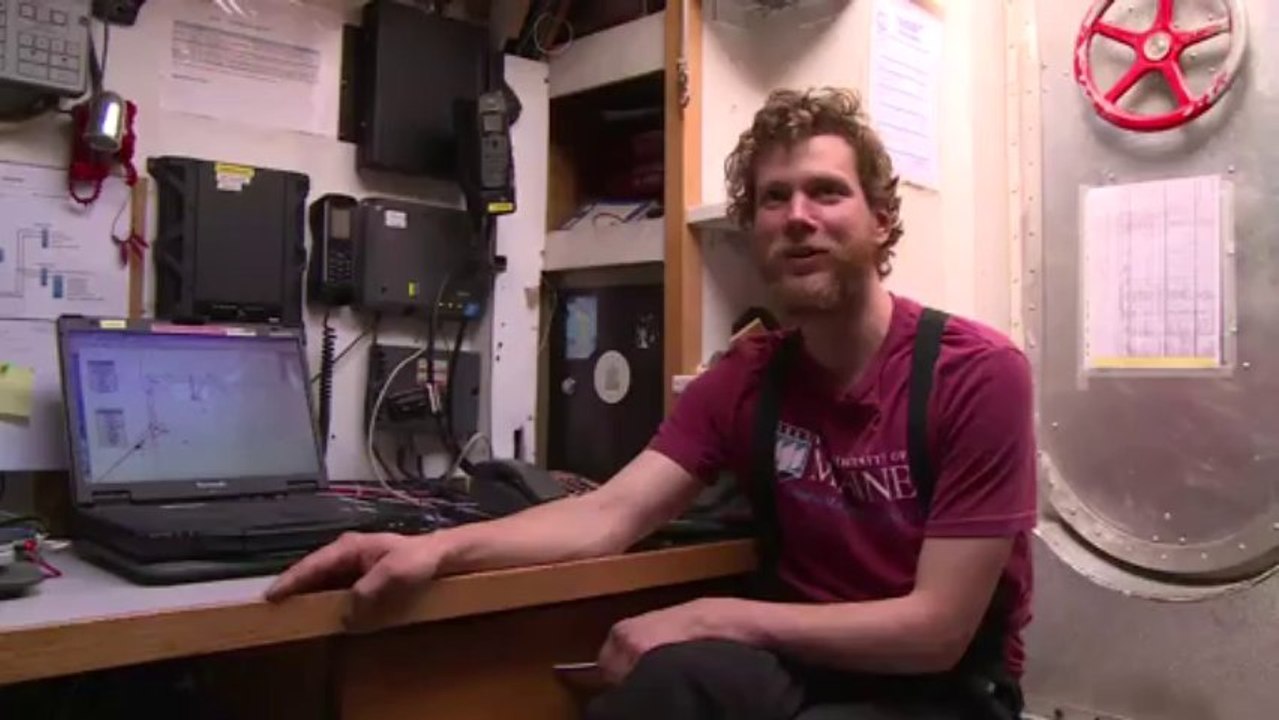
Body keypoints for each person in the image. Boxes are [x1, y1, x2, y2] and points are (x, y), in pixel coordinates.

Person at [266, 87, 1036, 720]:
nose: (798, 216)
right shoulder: (747, 377)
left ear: (880, 220)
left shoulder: (975, 374)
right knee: (654, 695)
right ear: (754, 229)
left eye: (826, 192)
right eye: (774, 199)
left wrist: (711, 615)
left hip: (943, 692)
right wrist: (433, 549)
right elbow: (608, 514)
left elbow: (934, 631)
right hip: (802, 665)